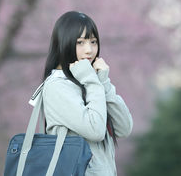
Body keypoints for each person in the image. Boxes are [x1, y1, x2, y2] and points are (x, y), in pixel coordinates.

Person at [38, 11, 133, 176]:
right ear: (64, 43)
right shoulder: (57, 86)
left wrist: (104, 83)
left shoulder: (88, 81)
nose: (89, 50)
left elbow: (124, 127)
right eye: (80, 42)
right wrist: (93, 81)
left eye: (93, 42)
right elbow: (95, 130)